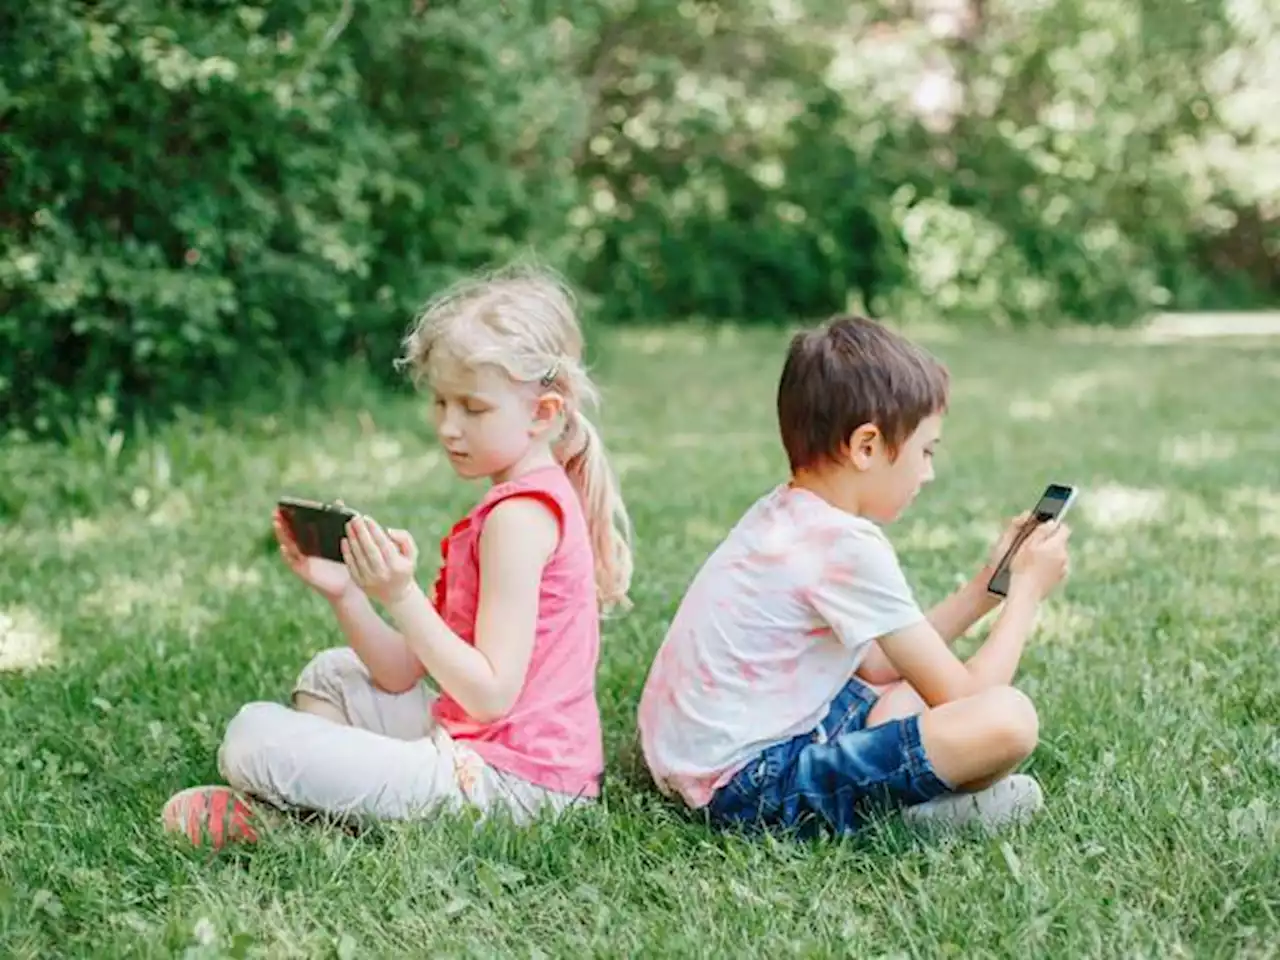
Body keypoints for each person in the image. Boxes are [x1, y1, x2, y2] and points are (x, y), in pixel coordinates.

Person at [163, 264, 632, 848]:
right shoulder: (506, 506)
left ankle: (303, 828)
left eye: (473, 407)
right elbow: (400, 672)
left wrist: (402, 595)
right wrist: (349, 592)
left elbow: (490, 696)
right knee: (333, 673)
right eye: (440, 402)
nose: (449, 426)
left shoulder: (518, 519)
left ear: (542, 413)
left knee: (251, 735)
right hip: (479, 756)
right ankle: (329, 811)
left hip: (515, 791)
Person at [636, 314, 1071, 838]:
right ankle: (907, 821)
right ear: (866, 446)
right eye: (925, 450)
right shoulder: (845, 546)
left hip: (706, 761)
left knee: (902, 692)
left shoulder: (787, 514)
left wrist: (987, 587)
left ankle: (909, 803)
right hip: (747, 788)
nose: (928, 472)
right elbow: (967, 697)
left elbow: (881, 664)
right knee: (1008, 719)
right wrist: (1025, 593)